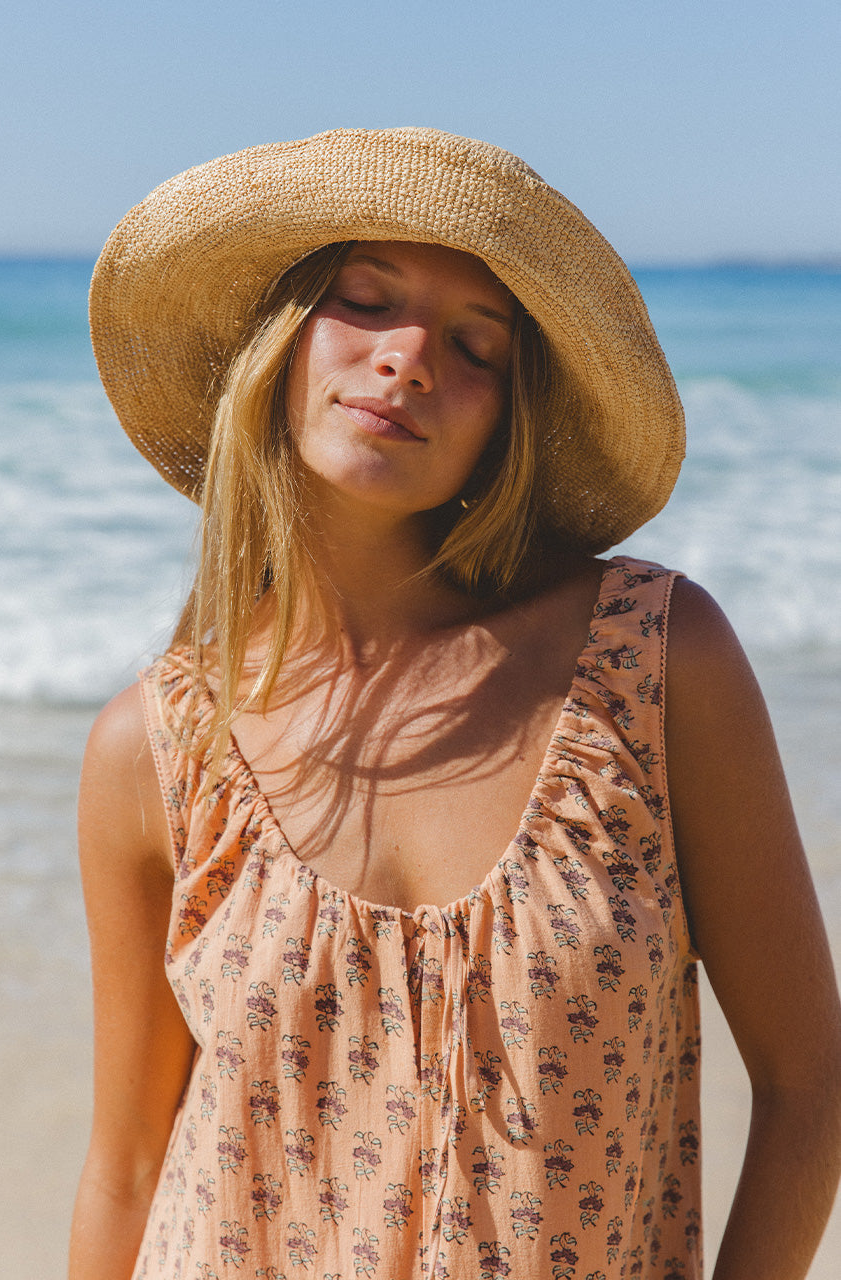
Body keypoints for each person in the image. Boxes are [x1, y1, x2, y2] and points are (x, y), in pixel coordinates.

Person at [71, 128, 841, 1280]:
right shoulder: (158, 746)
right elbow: (128, 1164)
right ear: (275, 347)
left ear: (506, 423)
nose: (408, 359)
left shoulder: (653, 662)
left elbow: (808, 1081)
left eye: (473, 344)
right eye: (361, 300)